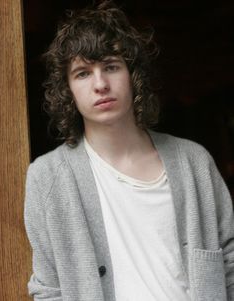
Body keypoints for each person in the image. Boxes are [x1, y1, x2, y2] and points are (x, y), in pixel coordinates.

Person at [24, 1, 234, 300]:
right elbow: (48, 290)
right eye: (83, 73)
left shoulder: (193, 162)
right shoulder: (47, 178)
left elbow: (230, 262)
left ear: (133, 76)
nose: (100, 84)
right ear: (67, 88)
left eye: (111, 67)